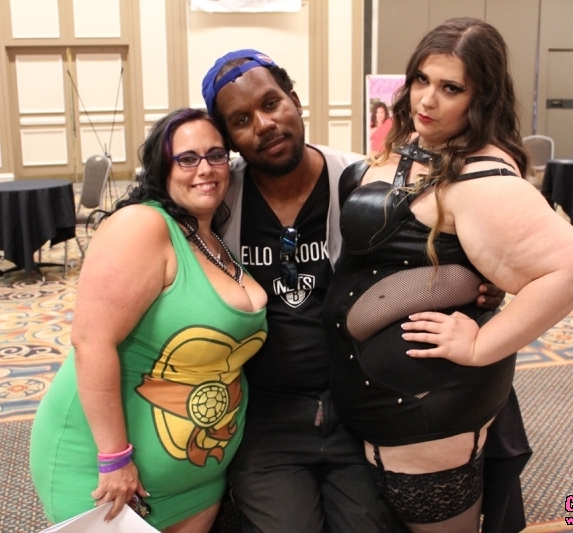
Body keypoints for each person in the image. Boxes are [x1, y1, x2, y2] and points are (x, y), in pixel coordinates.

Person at [201, 49, 527, 533]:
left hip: (358, 402)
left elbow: (439, 241)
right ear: (229, 138)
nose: (265, 124)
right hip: (269, 412)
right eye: (242, 120)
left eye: (271, 104)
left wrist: (483, 280)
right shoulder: (219, 200)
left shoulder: (361, 179)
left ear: (294, 100)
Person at [322, 18, 573, 533]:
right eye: (421, 80)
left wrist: (480, 344)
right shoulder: (421, 145)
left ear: (480, 98)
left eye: (451, 89)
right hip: (383, 404)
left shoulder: (481, 177)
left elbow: (572, 268)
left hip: (428, 416)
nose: (427, 100)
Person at [29, 109, 268, 532]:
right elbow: (91, 342)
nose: (205, 169)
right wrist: (114, 459)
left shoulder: (213, 238)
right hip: (112, 478)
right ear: (162, 168)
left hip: (198, 477)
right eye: (187, 158)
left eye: (216, 155)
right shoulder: (143, 225)